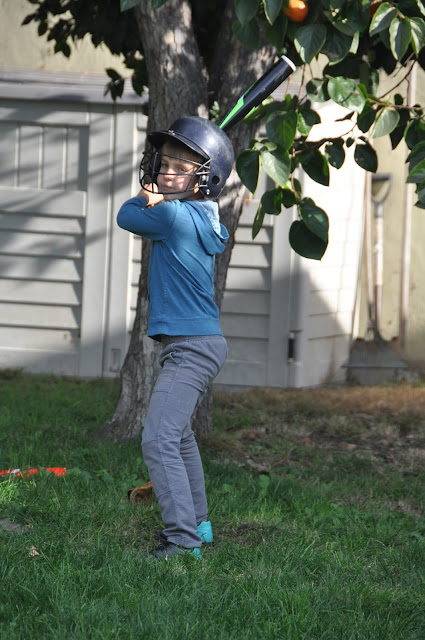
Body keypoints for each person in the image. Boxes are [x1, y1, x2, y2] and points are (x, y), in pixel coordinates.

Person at [117, 116, 234, 559]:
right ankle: (199, 525)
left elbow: (125, 216)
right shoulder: (205, 217)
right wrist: (163, 195)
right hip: (200, 343)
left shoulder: (172, 215)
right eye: (164, 163)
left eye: (180, 168)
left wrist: (146, 198)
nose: (166, 173)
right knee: (179, 435)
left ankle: (182, 542)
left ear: (205, 181)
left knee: (158, 438)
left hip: (191, 347)